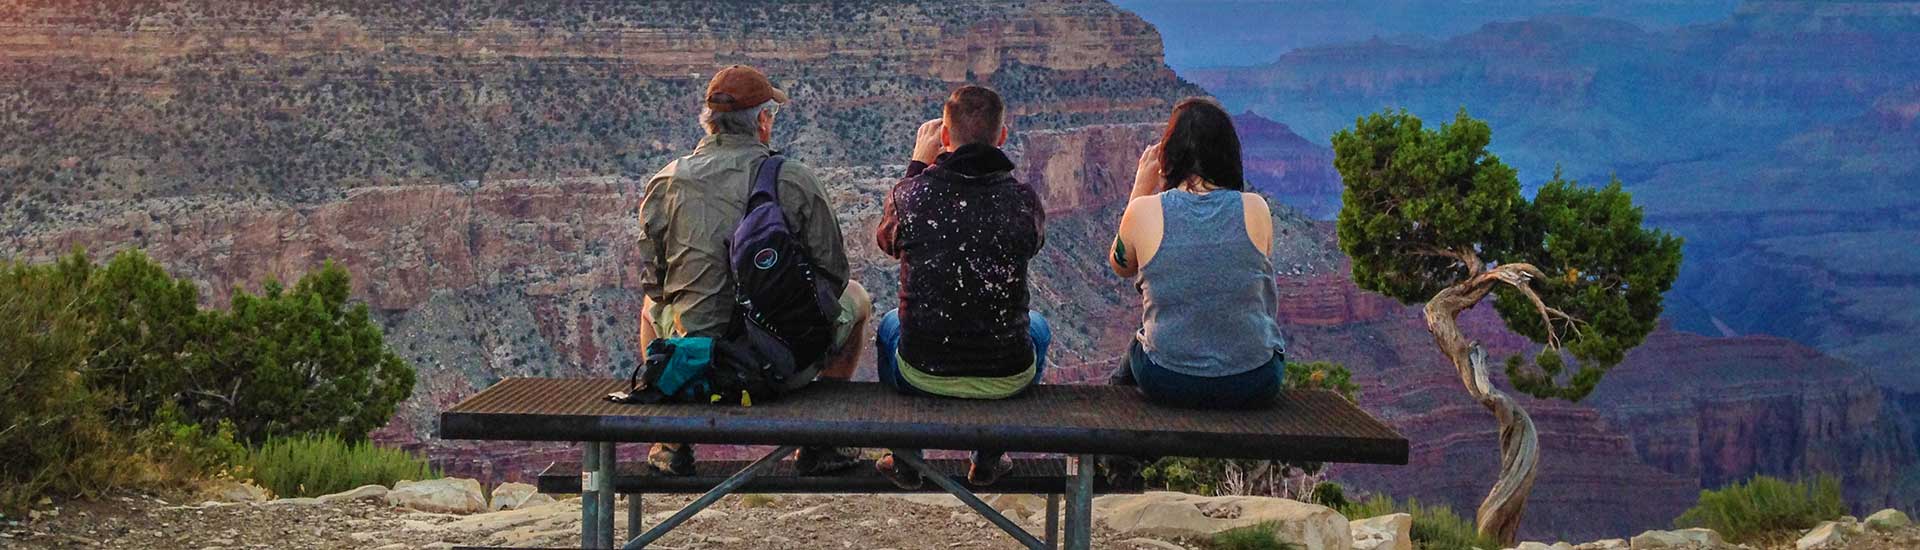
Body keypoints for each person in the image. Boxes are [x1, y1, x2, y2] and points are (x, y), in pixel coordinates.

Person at [636, 65, 873, 476]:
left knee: (648, 308)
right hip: (780, 369)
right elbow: (833, 276)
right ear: (763, 121)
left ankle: (673, 439)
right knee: (858, 298)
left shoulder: (667, 181)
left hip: (701, 367)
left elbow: (656, 285)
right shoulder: (793, 178)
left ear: (709, 123)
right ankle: (823, 443)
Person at [871, 85, 1050, 488]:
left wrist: (918, 165)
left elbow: (887, 241)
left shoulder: (911, 195)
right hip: (1007, 374)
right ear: (1002, 137)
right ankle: (988, 457)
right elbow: (1033, 244)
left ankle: (905, 456)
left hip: (921, 372)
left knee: (887, 326)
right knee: (1039, 326)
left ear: (945, 139)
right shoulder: (1023, 199)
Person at [1106, 97, 1288, 409]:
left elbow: (1120, 265)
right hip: (1255, 380)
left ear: (1168, 158)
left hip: (1167, 380)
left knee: (1136, 350)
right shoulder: (1255, 208)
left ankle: (1113, 449)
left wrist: (1140, 187)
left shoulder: (1145, 211)